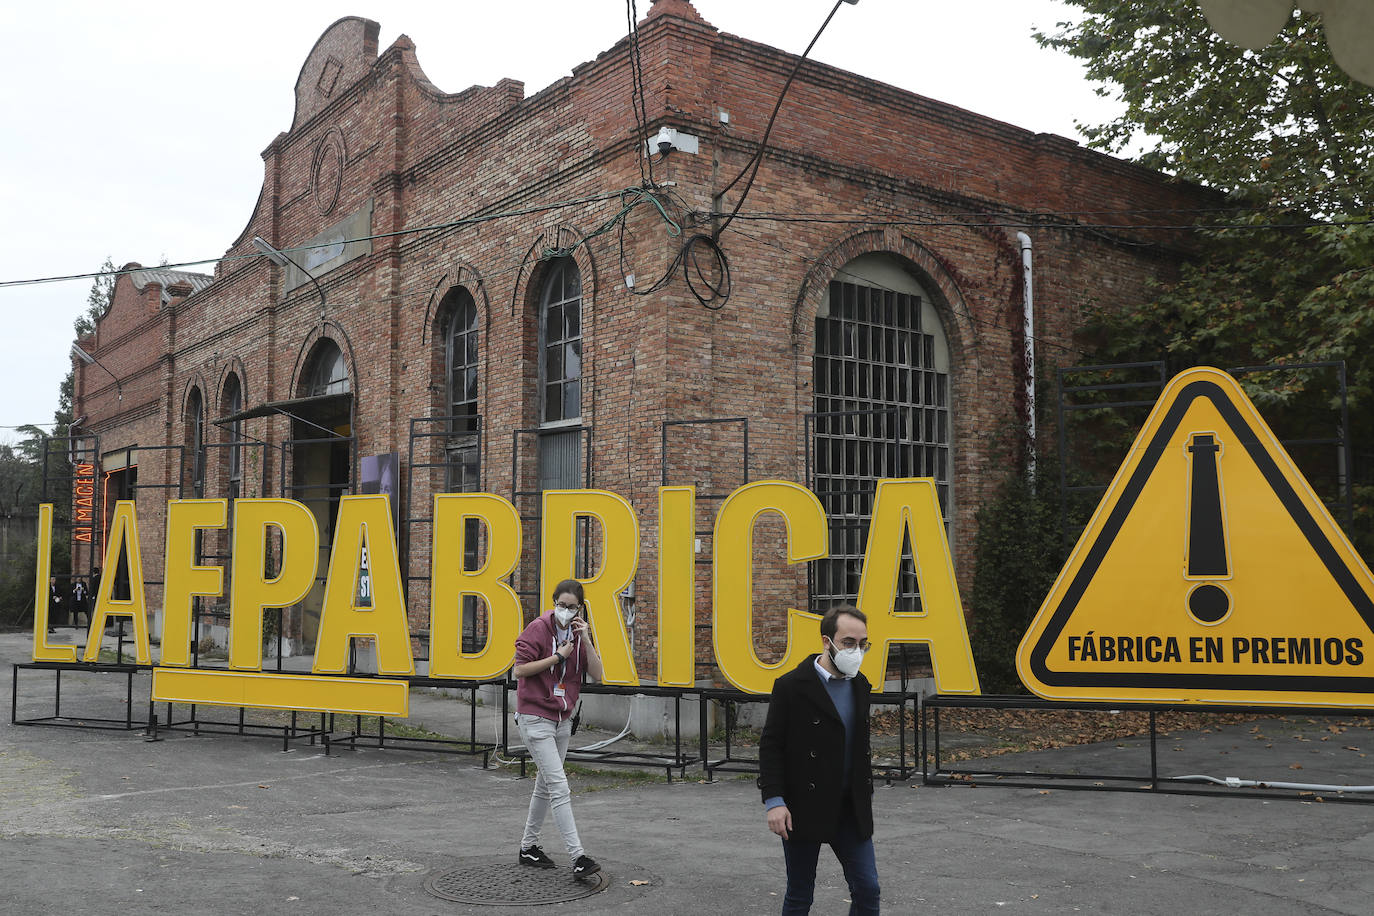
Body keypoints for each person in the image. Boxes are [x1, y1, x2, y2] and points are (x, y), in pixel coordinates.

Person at [759, 605, 880, 914]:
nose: (856, 651)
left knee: (868, 889)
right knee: (800, 894)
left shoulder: (860, 685)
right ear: (827, 642)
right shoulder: (791, 686)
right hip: (803, 805)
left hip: (850, 807)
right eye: (848, 643)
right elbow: (771, 745)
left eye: (862, 643)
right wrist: (774, 801)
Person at [511, 578, 605, 880]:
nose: (566, 611)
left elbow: (598, 674)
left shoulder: (578, 635)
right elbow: (519, 669)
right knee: (559, 786)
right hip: (535, 717)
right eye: (561, 605)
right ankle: (578, 857)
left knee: (545, 784)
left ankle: (528, 847)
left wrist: (586, 639)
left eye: (572, 607)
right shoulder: (538, 628)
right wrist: (557, 657)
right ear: (554, 603)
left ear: (580, 609)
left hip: (562, 718)